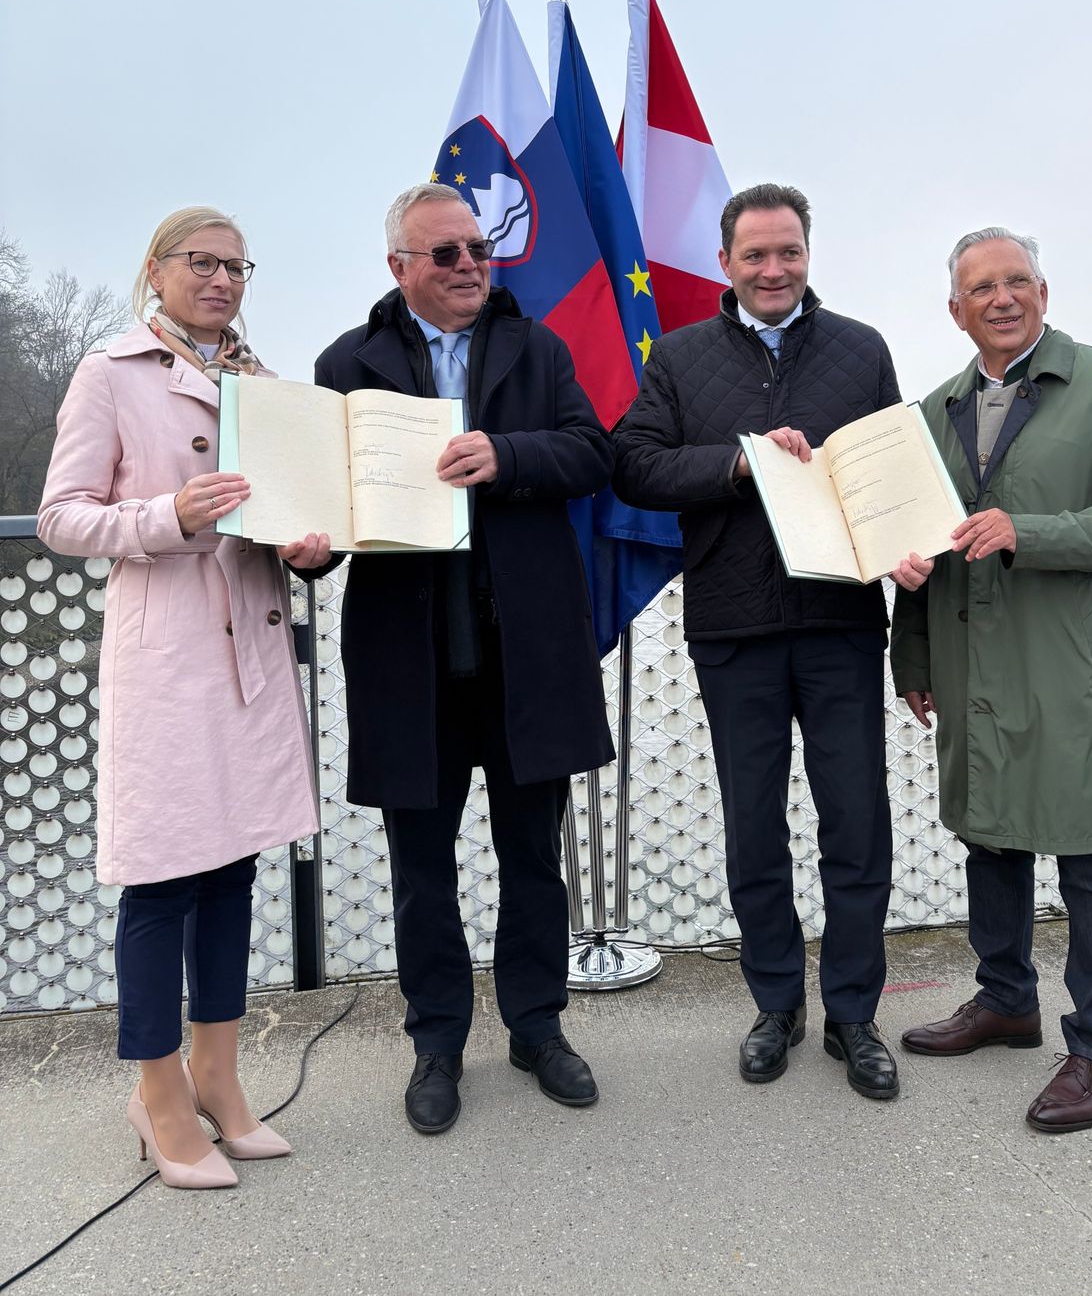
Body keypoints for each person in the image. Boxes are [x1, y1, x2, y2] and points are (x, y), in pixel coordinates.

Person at [310, 182, 614, 1135]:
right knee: (421, 869)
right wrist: (309, 544)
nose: (470, 265)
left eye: (479, 248)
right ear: (399, 266)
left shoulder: (539, 346)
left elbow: (591, 454)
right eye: (445, 253)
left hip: (526, 650)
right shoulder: (343, 362)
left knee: (532, 860)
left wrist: (507, 455)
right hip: (410, 655)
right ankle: (436, 1039)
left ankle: (536, 1026)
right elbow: (321, 496)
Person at [37, 208, 326, 1189]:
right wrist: (166, 514)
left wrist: (307, 542)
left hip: (250, 649)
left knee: (234, 866)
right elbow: (60, 518)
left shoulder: (262, 383)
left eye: (237, 266)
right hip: (166, 662)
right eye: (201, 264)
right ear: (155, 271)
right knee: (161, 877)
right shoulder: (108, 374)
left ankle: (218, 1075)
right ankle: (157, 1091)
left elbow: (293, 506)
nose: (222, 280)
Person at [613, 183, 903, 1098]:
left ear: (807, 254)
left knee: (856, 824)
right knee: (754, 828)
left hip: (842, 622)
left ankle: (853, 1012)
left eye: (788, 253)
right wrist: (740, 461)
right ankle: (775, 1001)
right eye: (755, 256)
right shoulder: (684, 355)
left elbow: (892, 475)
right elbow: (635, 463)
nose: (773, 270)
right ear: (727, 263)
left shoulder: (862, 350)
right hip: (734, 626)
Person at [889, 227, 1092, 1133]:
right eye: (982, 287)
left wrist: (1031, 530)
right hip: (975, 668)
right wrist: (915, 655)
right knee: (993, 843)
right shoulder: (934, 408)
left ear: (1043, 293)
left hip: (1075, 669)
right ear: (956, 310)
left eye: (1017, 280)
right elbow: (921, 543)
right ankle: (1006, 1000)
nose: (1002, 297)